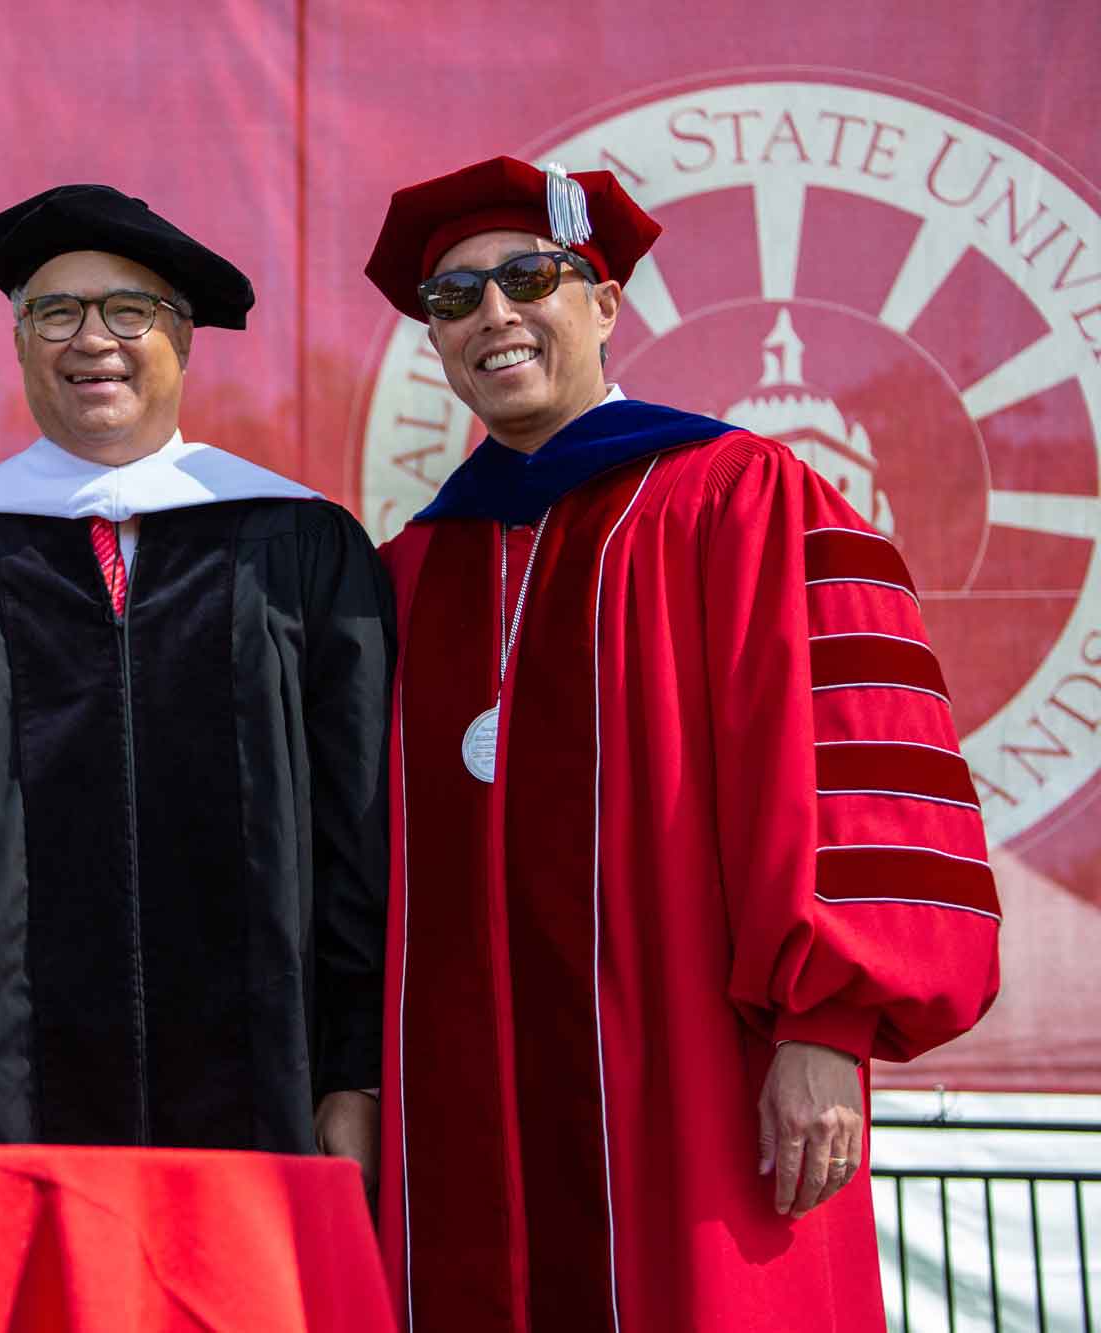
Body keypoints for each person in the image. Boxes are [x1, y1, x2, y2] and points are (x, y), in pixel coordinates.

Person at [362, 156, 1002, 1331]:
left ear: (602, 304)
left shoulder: (741, 498)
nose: (491, 313)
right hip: (458, 1119)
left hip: (701, 1083)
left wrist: (824, 1027)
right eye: (453, 299)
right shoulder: (409, 572)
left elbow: (853, 761)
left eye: (526, 277)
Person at [0, 185, 391, 1186]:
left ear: (184, 341)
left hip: (272, 1098)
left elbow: (359, 833)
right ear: (19, 342)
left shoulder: (298, 550)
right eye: (54, 312)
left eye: (128, 310)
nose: (90, 339)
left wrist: (356, 1071)